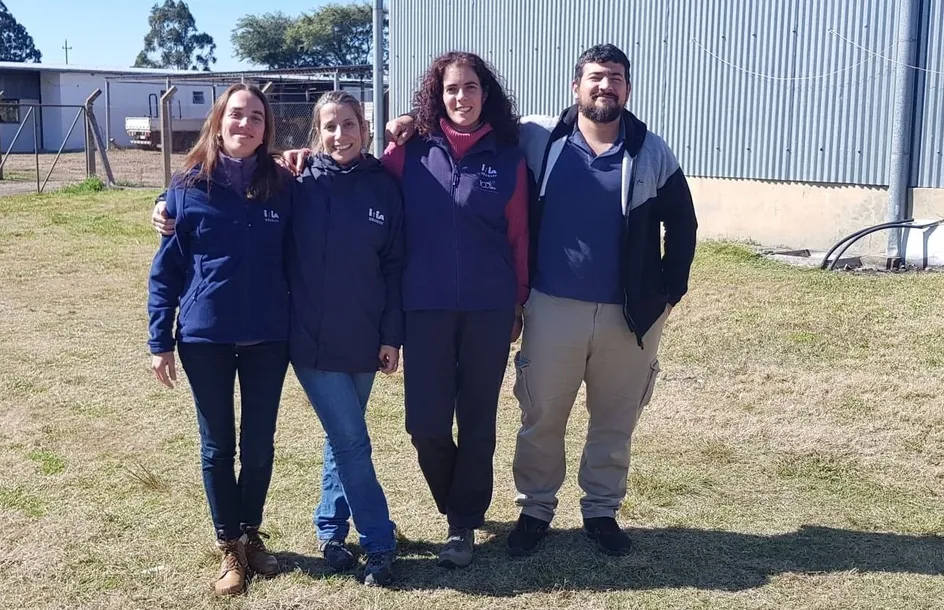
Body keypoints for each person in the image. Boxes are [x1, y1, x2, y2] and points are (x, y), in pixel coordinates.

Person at [387, 44, 698, 558]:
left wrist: (668, 293)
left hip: (628, 316)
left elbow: (682, 225)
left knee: (615, 419)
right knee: (541, 416)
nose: (606, 86)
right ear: (575, 88)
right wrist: (406, 120)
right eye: (595, 77)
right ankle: (535, 510)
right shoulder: (540, 138)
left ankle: (601, 510)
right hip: (552, 306)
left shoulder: (652, 151)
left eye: (616, 77)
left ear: (628, 88)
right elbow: (465, 123)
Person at [153, 91, 404, 586]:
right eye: (329, 126)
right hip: (252, 338)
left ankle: (316, 532)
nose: (340, 134)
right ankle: (366, 541)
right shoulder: (259, 182)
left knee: (303, 439)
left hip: (313, 336)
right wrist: (159, 205)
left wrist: (392, 334)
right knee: (330, 441)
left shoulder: (318, 185)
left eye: (350, 124)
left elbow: (392, 262)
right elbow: (171, 255)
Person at [383, 51, 529, 569]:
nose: (461, 97)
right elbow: (353, 179)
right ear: (436, 95)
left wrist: (518, 301)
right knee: (424, 424)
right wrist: (301, 162)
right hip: (424, 308)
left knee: (477, 420)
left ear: (484, 93)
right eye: (451, 89)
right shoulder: (409, 153)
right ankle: (458, 503)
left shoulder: (508, 156)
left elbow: (519, 238)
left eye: (470, 87)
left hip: (489, 309)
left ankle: (461, 523)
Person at [147, 83, 293, 596]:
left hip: (269, 338)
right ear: (219, 120)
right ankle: (228, 544)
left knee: (258, 446)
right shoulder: (187, 187)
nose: (245, 124)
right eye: (236, 114)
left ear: (265, 129)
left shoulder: (284, 185)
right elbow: (166, 271)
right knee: (217, 446)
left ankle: (251, 534)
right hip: (205, 338)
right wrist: (159, 339)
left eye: (256, 117)